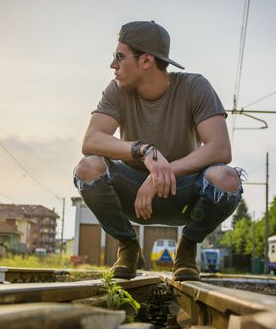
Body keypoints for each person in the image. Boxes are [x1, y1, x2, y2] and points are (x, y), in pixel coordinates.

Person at [74, 20, 244, 281]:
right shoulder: (116, 90)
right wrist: (143, 150)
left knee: (228, 179)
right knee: (87, 168)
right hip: (132, 192)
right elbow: (92, 140)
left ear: (146, 61)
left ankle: (187, 247)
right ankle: (128, 245)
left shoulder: (194, 86)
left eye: (120, 57)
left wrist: (161, 174)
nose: (113, 65)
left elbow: (220, 147)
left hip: (183, 194)